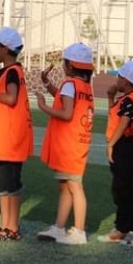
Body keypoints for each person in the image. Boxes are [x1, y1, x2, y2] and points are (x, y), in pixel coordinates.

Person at [35, 43, 96, 245]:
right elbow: (65, 101)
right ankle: (60, 228)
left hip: (69, 143)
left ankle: (79, 231)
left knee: (74, 185)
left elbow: (66, 112)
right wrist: (48, 84)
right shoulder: (84, 86)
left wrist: (43, 107)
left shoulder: (71, 85)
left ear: (69, 65)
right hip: (77, 141)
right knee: (66, 185)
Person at [0, 27, 33, 242]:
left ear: (5, 48)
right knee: (3, 183)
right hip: (6, 136)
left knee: (9, 183)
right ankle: (6, 226)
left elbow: (11, 98)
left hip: (11, 137)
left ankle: (11, 228)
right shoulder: (9, 71)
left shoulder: (12, 71)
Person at [99, 59, 133, 246]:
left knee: (124, 190)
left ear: (126, 81)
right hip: (127, 147)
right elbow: (116, 115)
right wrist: (110, 98)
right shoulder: (130, 98)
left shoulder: (129, 100)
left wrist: (111, 144)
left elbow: (124, 121)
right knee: (122, 188)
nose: (116, 80)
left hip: (124, 147)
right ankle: (123, 227)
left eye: (119, 77)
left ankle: (130, 229)